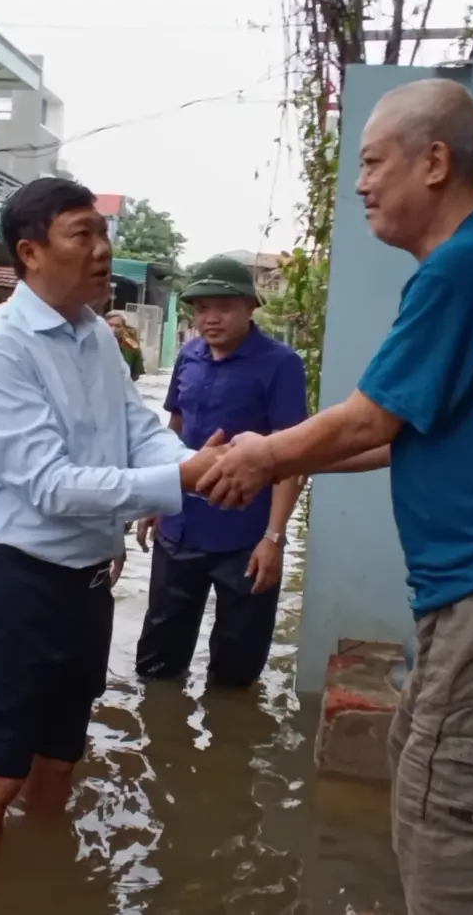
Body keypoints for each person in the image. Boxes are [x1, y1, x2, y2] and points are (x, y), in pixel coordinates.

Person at [197, 79, 473, 915]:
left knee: (463, 835)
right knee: (456, 796)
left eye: (370, 162)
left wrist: (263, 456)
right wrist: (284, 462)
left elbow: (367, 419)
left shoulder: (464, 270)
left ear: (434, 162)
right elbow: (400, 437)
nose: (359, 184)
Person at [0, 177, 228, 845]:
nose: (103, 250)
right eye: (83, 234)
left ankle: (46, 880)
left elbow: (136, 428)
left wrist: (197, 463)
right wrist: (182, 478)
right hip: (16, 587)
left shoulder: (95, 335)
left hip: (87, 584)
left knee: (60, 759)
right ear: (31, 250)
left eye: (104, 234)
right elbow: (51, 485)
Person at [132, 255, 307, 687]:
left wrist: (273, 539)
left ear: (250, 306)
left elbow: (293, 458)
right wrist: (157, 497)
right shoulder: (188, 357)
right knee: (157, 663)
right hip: (180, 530)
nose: (210, 319)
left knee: (235, 673)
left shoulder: (281, 364)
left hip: (245, 540)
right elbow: (172, 431)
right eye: (202, 308)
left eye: (223, 307)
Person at [105, 309, 144, 381]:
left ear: (124, 328)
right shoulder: (95, 344)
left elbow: (135, 375)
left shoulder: (131, 347)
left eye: (118, 326)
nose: (113, 329)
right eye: (110, 325)